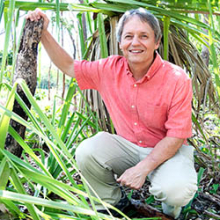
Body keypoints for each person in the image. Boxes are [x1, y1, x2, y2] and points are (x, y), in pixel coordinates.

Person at [27, 8, 198, 219]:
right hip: (128, 148)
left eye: (144, 36)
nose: (135, 42)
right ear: (120, 43)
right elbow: (69, 66)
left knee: (176, 190)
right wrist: (44, 32)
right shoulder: (109, 69)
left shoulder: (177, 78)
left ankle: (171, 214)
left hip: (168, 151)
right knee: (87, 151)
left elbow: (176, 136)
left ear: (157, 42)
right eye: (129, 36)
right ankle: (114, 205)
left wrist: (143, 169)